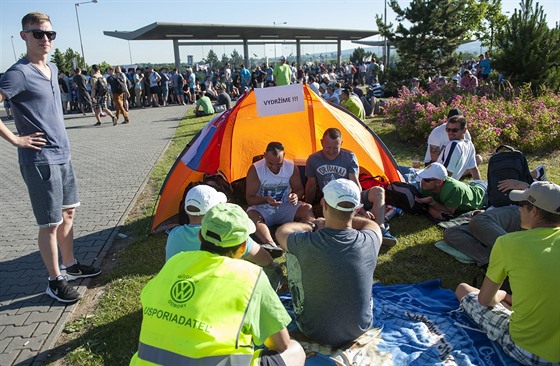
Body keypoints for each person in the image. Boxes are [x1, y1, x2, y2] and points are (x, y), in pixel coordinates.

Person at [0, 12, 101, 303]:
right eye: (37, 33)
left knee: (68, 213)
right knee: (49, 223)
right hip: (40, 160)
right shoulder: (18, 73)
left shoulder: (53, 69)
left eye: (50, 34)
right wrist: (16, 139)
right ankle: (54, 280)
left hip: (63, 155)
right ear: (24, 36)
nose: (45, 39)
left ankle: (70, 266)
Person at [131, 203, 306, 366]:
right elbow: (281, 343)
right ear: (243, 246)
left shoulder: (175, 262)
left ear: (201, 236)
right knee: (295, 351)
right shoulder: (251, 277)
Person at [455, 181, 560, 365]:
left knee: (463, 289)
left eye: (521, 205)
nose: (518, 210)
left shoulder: (507, 243)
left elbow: (485, 300)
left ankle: (511, 301)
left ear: (534, 211)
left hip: (529, 350)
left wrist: (503, 294)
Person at [276, 178, 381, 347]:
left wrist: (313, 224)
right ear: (357, 208)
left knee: (292, 253)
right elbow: (371, 224)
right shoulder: (371, 239)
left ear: (324, 204)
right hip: (359, 327)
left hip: (313, 330)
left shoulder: (306, 243)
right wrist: (345, 218)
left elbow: (282, 232)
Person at [305, 128, 397, 245]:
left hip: (352, 196)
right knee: (326, 202)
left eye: (335, 148)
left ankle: (380, 228)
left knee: (378, 191)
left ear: (341, 144)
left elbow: (355, 184)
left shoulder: (349, 156)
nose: (331, 151)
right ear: (322, 142)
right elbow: (311, 185)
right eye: (328, 147)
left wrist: (360, 207)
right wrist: (308, 203)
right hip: (331, 200)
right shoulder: (313, 159)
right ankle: (368, 226)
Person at [246, 142, 314, 247]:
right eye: (270, 163)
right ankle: (271, 244)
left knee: (307, 208)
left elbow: (299, 189)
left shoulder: (291, 166)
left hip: (285, 205)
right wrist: (265, 200)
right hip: (263, 208)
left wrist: (295, 196)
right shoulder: (256, 169)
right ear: (264, 156)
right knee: (251, 215)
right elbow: (250, 198)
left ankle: (309, 239)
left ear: (284, 156)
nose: (274, 168)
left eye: (279, 164)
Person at [415, 163, 486, 221]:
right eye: (422, 178)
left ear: (439, 182)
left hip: (484, 194)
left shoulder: (453, 189)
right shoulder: (426, 186)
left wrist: (432, 203)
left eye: (426, 180)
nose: (422, 181)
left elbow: (449, 212)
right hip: (473, 185)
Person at [436, 115, 481, 180]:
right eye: (448, 130)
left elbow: (445, 174)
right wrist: (480, 186)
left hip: (431, 183)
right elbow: (474, 170)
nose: (450, 133)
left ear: (464, 130)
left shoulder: (454, 144)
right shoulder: (470, 145)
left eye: (454, 130)